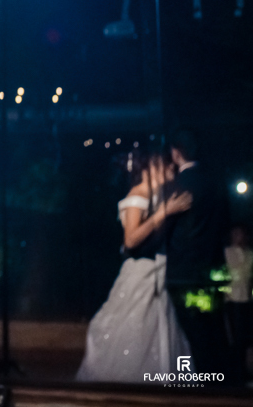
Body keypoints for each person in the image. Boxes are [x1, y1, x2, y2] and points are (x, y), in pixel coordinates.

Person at [76, 151, 192, 382]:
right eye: (168, 167)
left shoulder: (159, 195)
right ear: (152, 169)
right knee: (132, 320)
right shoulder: (137, 195)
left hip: (157, 270)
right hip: (140, 272)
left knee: (156, 322)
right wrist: (164, 212)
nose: (172, 171)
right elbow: (130, 240)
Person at [165, 130, 231, 377]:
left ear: (176, 153)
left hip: (184, 271)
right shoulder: (216, 182)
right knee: (215, 328)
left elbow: (166, 229)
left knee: (193, 333)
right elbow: (225, 224)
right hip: (212, 268)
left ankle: (204, 384)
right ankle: (224, 381)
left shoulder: (176, 186)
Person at [224, 224, 252, 380]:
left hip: (246, 300)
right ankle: (235, 372)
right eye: (234, 233)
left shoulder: (250, 254)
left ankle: (244, 371)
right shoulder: (226, 252)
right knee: (234, 337)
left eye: (240, 233)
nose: (237, 236)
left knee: (244, 337)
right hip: (231, 300)